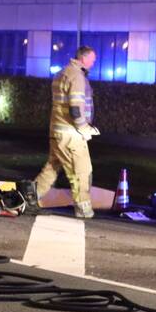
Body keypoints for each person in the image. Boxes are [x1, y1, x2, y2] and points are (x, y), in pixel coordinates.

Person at [32, 46, 99, 219]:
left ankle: (30, 197)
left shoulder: (62, 73)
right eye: (92, 59)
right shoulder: (76, 77)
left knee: (52, 168)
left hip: (57, 131)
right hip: (71, 135)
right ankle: (83, 208)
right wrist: (84, 128)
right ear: (83, 59)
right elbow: (76, 108)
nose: (94, 62)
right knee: (81, 171)